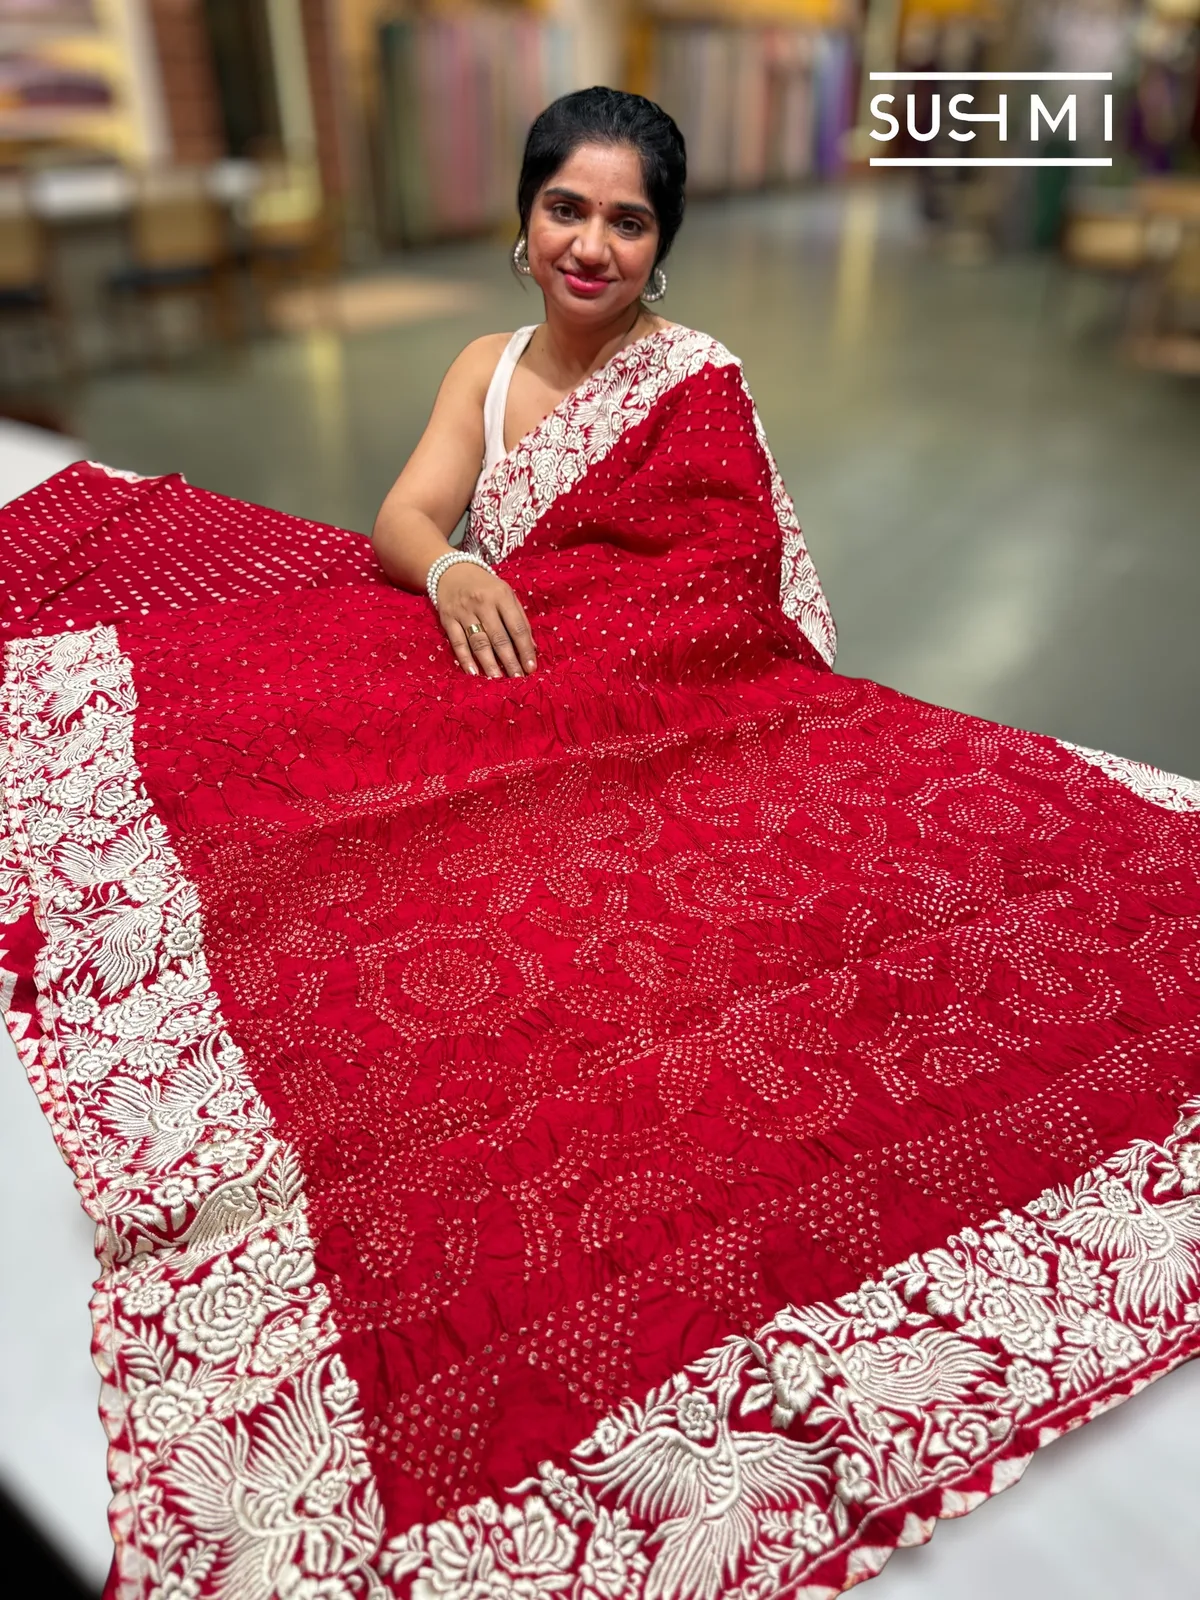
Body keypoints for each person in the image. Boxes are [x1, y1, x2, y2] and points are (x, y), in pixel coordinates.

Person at [3, 87, 1200, 1600]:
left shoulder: (697, 382)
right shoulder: (484, 368)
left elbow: (726, 584)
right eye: (567, 207)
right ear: (523, 223)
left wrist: (624, 666)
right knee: (283, 759)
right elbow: (408, 514)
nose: (591, 241)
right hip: (505, 657)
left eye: (627, 220)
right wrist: (447, 576)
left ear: (662, 246)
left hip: (654, 682)